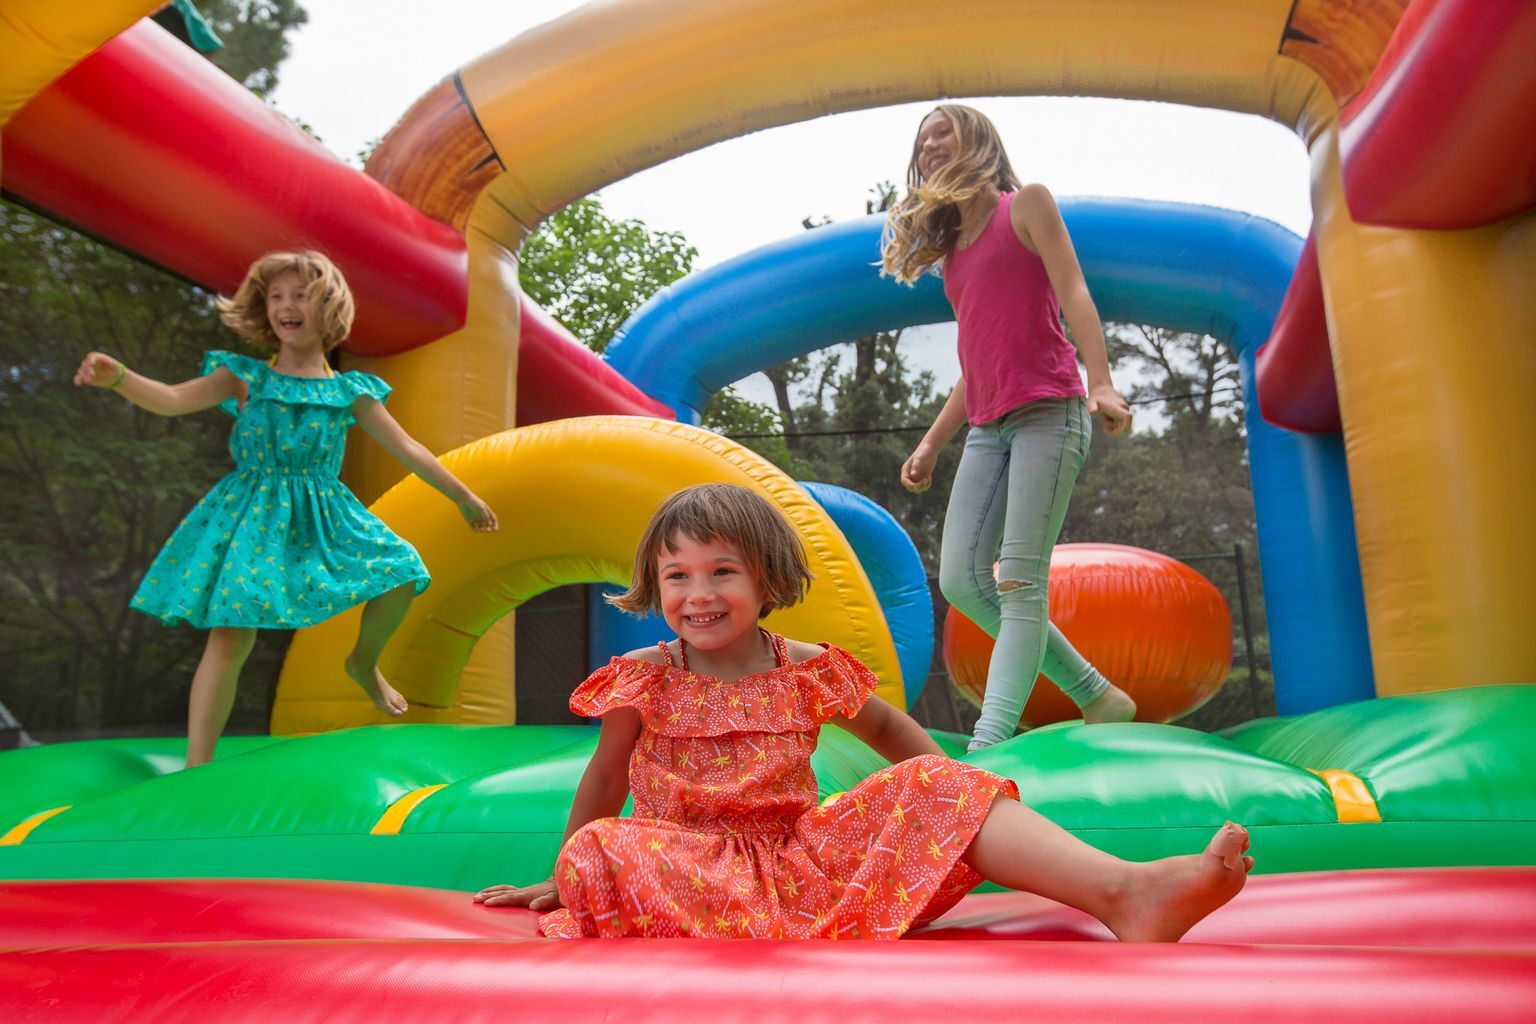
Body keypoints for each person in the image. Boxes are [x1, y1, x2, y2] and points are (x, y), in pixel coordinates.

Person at [474, 483, 1250, 941]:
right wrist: (562, 867)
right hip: (686, 866)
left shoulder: (806, 668)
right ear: (655, 586)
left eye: (722, 572)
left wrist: (952, 804)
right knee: (600, 848)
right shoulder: (645, 677)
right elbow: (607, 778)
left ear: (768, 578)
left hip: (803, 862)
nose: (697, 594)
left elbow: (886, 731)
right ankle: (663, 895)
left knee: (944, 784)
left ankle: (1127, 894)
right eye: (676, 576)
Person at [73, 250, 497, 767]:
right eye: (276, 296)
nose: (286, 305)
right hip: (251, 514)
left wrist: (463, 495)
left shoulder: (348, 391)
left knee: (404, 571)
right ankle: (197, 764)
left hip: (323, 512)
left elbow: (409, 449)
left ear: (328, 307)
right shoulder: (245, 377)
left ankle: (362, 663)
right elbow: (172, 399)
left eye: (300, 295)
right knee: (231, 633)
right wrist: (120, 378)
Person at [882, 104, 1138, 751]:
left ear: (980, 142)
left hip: (1049, 414)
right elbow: (976, 361)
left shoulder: (1025, 206)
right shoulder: (953, 259)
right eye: (923, 139)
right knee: (961, 581)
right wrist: (933, 441)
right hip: (989, 429)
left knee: (1020, 582)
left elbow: (1074, 290)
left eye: (944, 130)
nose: (932, 142)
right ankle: (1097, 697)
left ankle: (987, 745)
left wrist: (1100, 380)